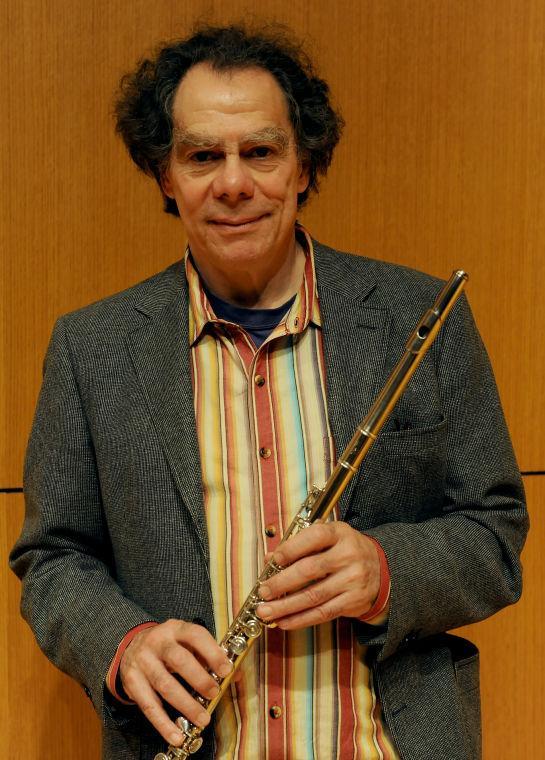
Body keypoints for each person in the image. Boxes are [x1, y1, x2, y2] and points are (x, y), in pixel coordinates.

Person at [10, 23, 527, 760]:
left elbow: (495, 533)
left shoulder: (419, 318)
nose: (232, 182)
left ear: (304, 164)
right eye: (200, 156)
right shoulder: (90, 350)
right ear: (165, 174)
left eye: (260, 151)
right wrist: (122, 645)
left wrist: (385, 570)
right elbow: (53, 559)